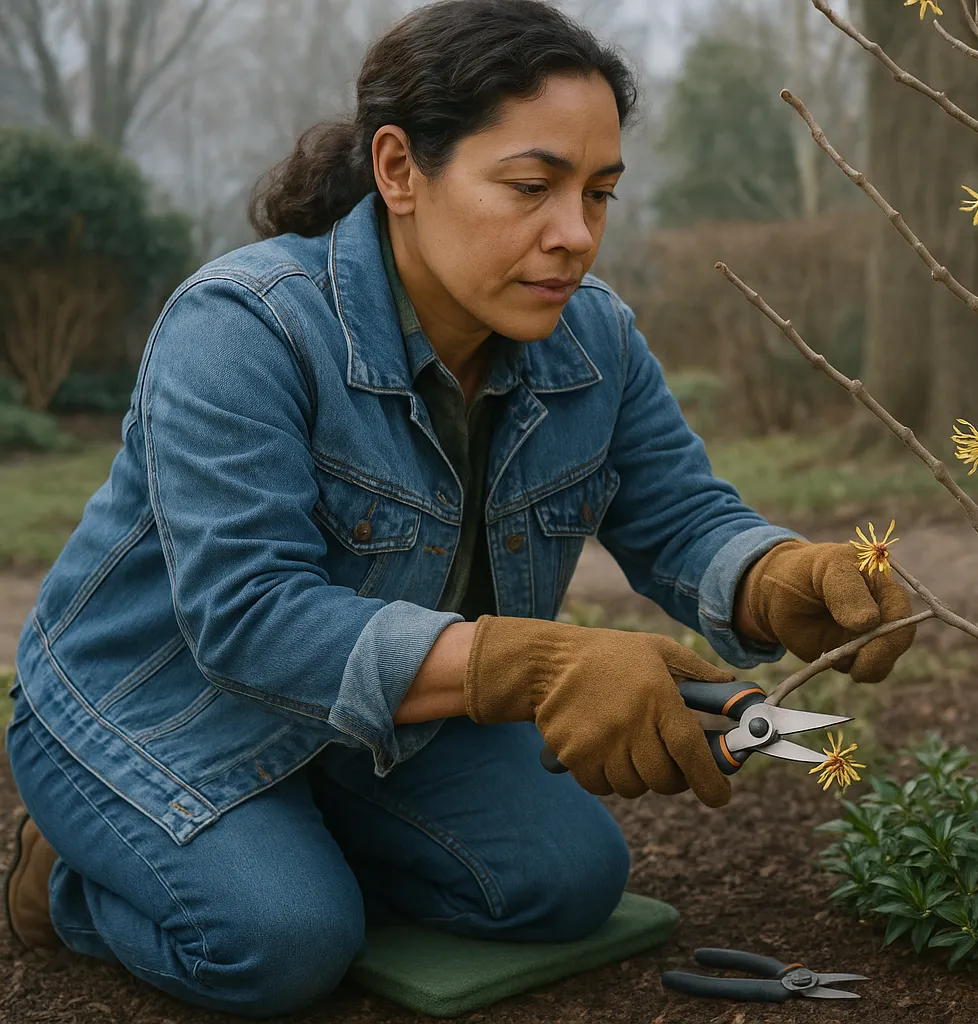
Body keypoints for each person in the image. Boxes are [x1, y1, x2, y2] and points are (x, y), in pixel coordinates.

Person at [1, 0, 917, 1015]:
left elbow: (684, 516)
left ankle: (291, 832)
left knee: (564, 882)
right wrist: (533, 662)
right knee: (278, 942)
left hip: (378, 722)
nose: (575, 235)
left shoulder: (595, 339)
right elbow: (248, 615)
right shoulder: (241, 329)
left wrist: (777, 577)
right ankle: (72, 877)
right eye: (531, 186)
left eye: (599, 193)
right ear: (399, 170)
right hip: (153, 714)